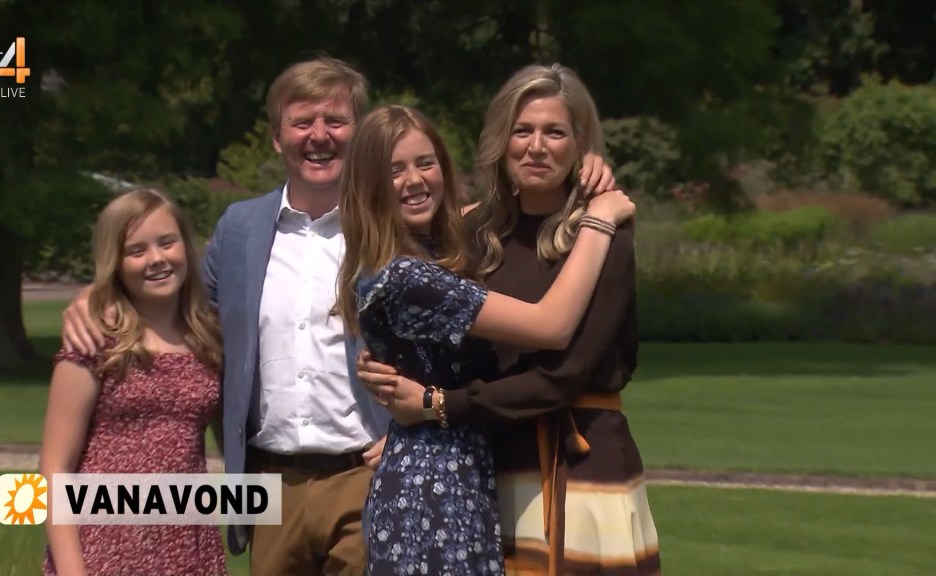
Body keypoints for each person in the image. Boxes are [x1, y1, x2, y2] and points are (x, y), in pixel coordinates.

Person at [61, 56, 618, 575]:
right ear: (277, 136)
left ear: (360, 132)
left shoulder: (393, 233)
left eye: (336, 120)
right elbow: (178, 308)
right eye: (302, 122)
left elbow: (504, 203)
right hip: (270, 484)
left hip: (367, 475)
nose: (319, 135)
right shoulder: (239, 230)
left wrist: (586, 171)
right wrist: (97, 294)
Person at [359, 64, 662, 575]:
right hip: (489, 463)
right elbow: (436, 341)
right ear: (502, 139)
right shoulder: (473, 235)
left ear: (580, 140)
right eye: (523, 131)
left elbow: (562, 376)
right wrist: (401, 392)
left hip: (583, 463)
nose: (536, 147)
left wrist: (438, 407)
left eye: (555, 132)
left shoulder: (603, 233)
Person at [39, 188, 227, 576]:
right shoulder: (95, 341)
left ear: (186, 246)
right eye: (136, 251)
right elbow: (54, 467)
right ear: (116, 262)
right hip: (105, 545)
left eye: (167, 242)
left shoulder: (209, 338)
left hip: (188, 545)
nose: (156, 259)